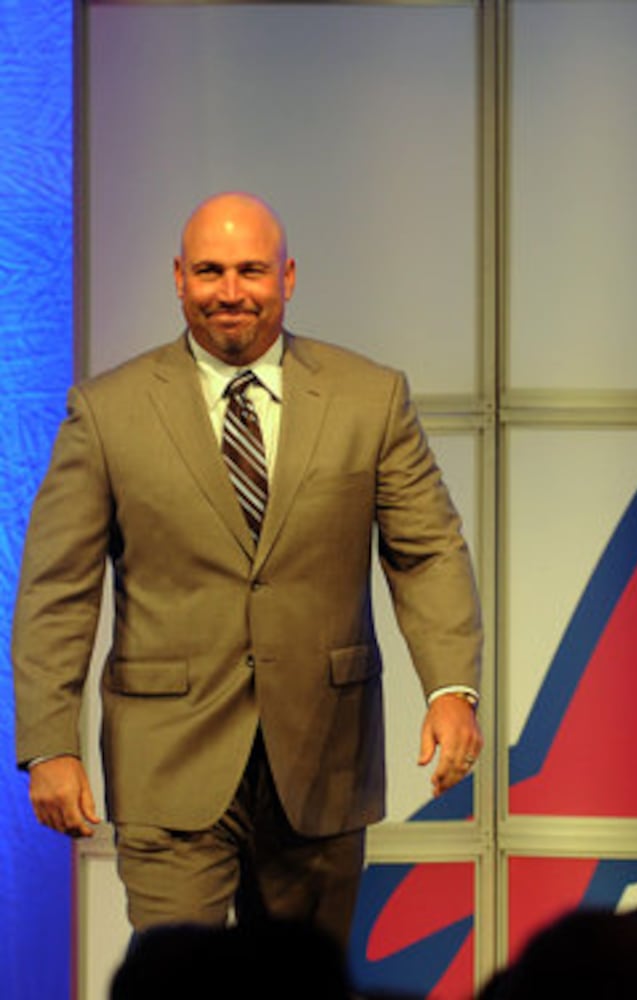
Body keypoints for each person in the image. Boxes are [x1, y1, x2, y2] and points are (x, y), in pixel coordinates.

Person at [11, 192, 483, 947]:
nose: (230, 291)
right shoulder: (107, 413)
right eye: (210, 270)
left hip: (324, 757)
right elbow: (56, 591)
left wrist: (452, 687)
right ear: (178, 278)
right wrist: (51, 744)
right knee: (175, 988)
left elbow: (427, 550)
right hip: (167, 758)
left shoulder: (371, 397)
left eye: (251, 270)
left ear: (288, 277)